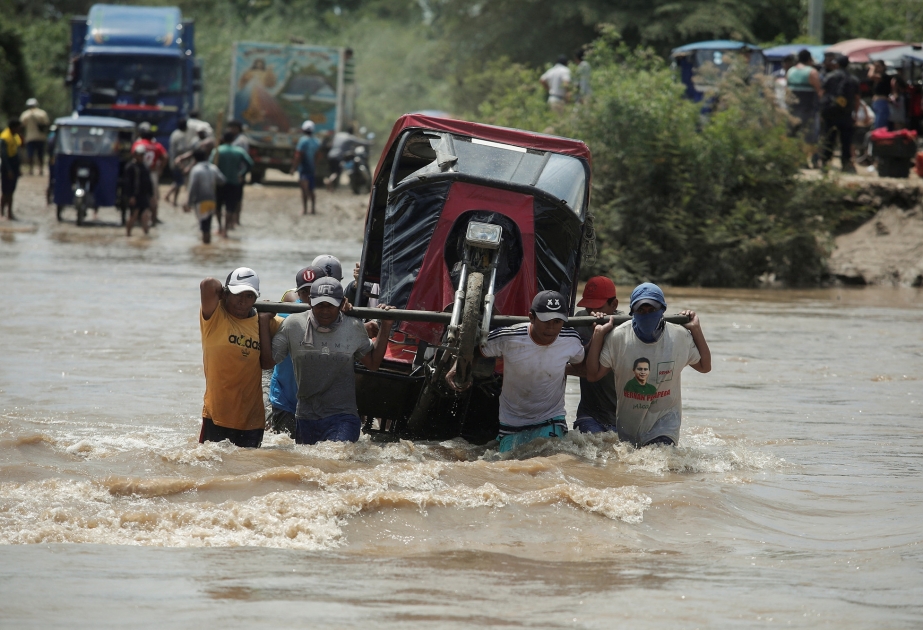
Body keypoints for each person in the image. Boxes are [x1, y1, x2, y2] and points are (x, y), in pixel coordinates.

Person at [450, 290, 585, 453]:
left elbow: (582, 365)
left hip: (551, 419)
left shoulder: (571, 340)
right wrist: (457, 367)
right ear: (531, 317)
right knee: (508, 464)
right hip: (512, 423)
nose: (551, 328)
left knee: (554, 461)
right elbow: (476, 351)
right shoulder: (508, 337)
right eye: (546, 321)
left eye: (557, 321)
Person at [266, 276, 394, 445]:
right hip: (306, 415)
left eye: (330, 305)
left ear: (341, 304)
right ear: (310, 302)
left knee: (336, 458)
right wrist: (262, 320)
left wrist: (386, 326)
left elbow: (372, 364)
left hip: (343, 415)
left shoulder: (353, 326)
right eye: (320, 305)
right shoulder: (293, 325)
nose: (324, 311)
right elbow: (268, 362)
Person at [585, 283, 711, 447]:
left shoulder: (679, 336)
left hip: (665, 422)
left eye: (652, 310)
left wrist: (696, 329)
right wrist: (598, 335)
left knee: (661, 460)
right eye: (641, 310)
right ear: (632, 312)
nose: (647, 315)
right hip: (628, 425)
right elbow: (593, 375)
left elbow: (705, 366)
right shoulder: (618, 338)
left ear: (662, 310)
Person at [200, 267, 281, 448]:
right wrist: (224, 293)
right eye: (237, 294)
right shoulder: (215, 316)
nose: (242, 301)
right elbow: (208, 284)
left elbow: (301, 325)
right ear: (226, 294)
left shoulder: (265, 322)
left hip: (252, 420)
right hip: (217, 415)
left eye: (249, 296)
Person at [268, 265, 326, 438]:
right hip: (285, 397)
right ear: (299, 293)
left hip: (318, 402)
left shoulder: (336, 316)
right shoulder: (286, 316)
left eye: (314, 291)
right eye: (305, 292)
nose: (309, 297)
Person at [571, 277, 622, 434]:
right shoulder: (580, 320)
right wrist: (596, 334)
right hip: (590, 413)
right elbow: (577, 363)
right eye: (588, 307)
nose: (592, 313)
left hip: (621, 415)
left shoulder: (625, 328)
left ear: (614, 305)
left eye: (597, 307)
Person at [819, 55, 860, 173]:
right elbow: (857, 98)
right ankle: (846, 165)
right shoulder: (853, 79)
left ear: (836, 64)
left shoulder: (829, 76)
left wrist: (822, 111)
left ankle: (825, 165)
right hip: (846, 114)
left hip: (830, 113)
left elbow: (822, 93)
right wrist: (855, 113)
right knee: (846, 141)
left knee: (828, 139)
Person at [211, 131, 254, 234]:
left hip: (219, 183)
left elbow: (210, 165)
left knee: (218, 206)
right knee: (230, 206)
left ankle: (220, 227)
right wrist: (241, 174)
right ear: (233, 140)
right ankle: (226, 229)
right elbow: (250, 164)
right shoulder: (239, 151)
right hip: (234, 182)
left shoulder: (217, 151)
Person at [786, 49, 822, 165]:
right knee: (810, 134)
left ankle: (796, 160)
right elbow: (819, 91)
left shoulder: (790, 71)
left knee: (794, 134)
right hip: (809, 108)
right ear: (809, 59)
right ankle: (811, 160)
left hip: (793, 108)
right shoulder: (812, 72)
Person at [184, 149, 226, 244]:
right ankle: (207, 244)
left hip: (201, 202)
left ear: (195, 159)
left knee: (204, 227)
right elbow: (222, 180)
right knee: (207, 224)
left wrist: (189, 203)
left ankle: (205, 245)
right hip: (212, 201)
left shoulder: (196, 170)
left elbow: (192, 188)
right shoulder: (213, 168)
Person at [131, 122, 168, 224]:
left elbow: (132, 156)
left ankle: (136, 217)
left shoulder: (137, 144)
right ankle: (154, 218)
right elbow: (165, 157)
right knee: (153, 197)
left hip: (138, 173)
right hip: (152, 173)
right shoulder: (157, 145)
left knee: (137, 194)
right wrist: (160, 169)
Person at [324, 126, 369, 191]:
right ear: (352, 132)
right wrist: (369, 143)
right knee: (336, 172)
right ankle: (329, 181)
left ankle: (331, 188)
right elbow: (360, 142)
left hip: (330, 155)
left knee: (333, 171)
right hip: (338, 156)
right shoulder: (350, 137)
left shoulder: (339, 135)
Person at [123, 145, 153, 236]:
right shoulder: (130, 167)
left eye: (142, 155)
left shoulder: (145, 167)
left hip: (143, 195)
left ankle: (146, 235)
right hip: (134, 196)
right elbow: (128, 183)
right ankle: (128, 234)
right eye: (139, 155)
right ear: (135, 155)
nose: (141, 157)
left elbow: (149, 182)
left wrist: (151, 195)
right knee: (133, 215)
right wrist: (131, 196)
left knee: (145, 216)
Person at [291, 120, 320, 215]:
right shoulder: (316, 142)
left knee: (304, 190)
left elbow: (298, 155)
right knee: (311, 190)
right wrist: (315, 167)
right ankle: (313, 209)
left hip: (303, 169)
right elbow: (317, 156)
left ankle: (305, 209)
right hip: (311, 169)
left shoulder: (303, 141)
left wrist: (294, 168)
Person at [165, 118, 192, 207]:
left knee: (177, 181)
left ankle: (171, 198)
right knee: (178, 182)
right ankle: (170, 197)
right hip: (179, 163)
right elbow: (181, 149)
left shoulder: (174, 133)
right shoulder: (181, 135)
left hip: (173, 160)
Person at [19, 98, 49, 176]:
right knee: (40, 155)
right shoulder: (42, 113)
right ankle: (41, 170)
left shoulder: (25, 114)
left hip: (30, 137)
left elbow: (21, 125)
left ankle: (31, 170)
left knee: (30, 155)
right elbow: (46, 123)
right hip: (41, 137)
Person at [0, 119, 23, 221]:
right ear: (13, 127)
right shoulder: (4, 137)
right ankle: (1, 212)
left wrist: (18, 169)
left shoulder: (15, 136)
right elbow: (3, 156)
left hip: (14, 166)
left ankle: (9, 213)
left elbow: (17, 153)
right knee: (5, 191)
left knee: (12, 191)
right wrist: (9, 170)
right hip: (7, 167)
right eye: (18, 127)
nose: (20, 129)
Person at [868, 60, 891, 130]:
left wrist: (871, 68)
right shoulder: (876, 81)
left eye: (878, 66)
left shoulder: (885, 76)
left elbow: (871, 76)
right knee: (876, 123)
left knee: (880, 124)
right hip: (876, 103)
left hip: (882, 103)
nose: (876, 68)